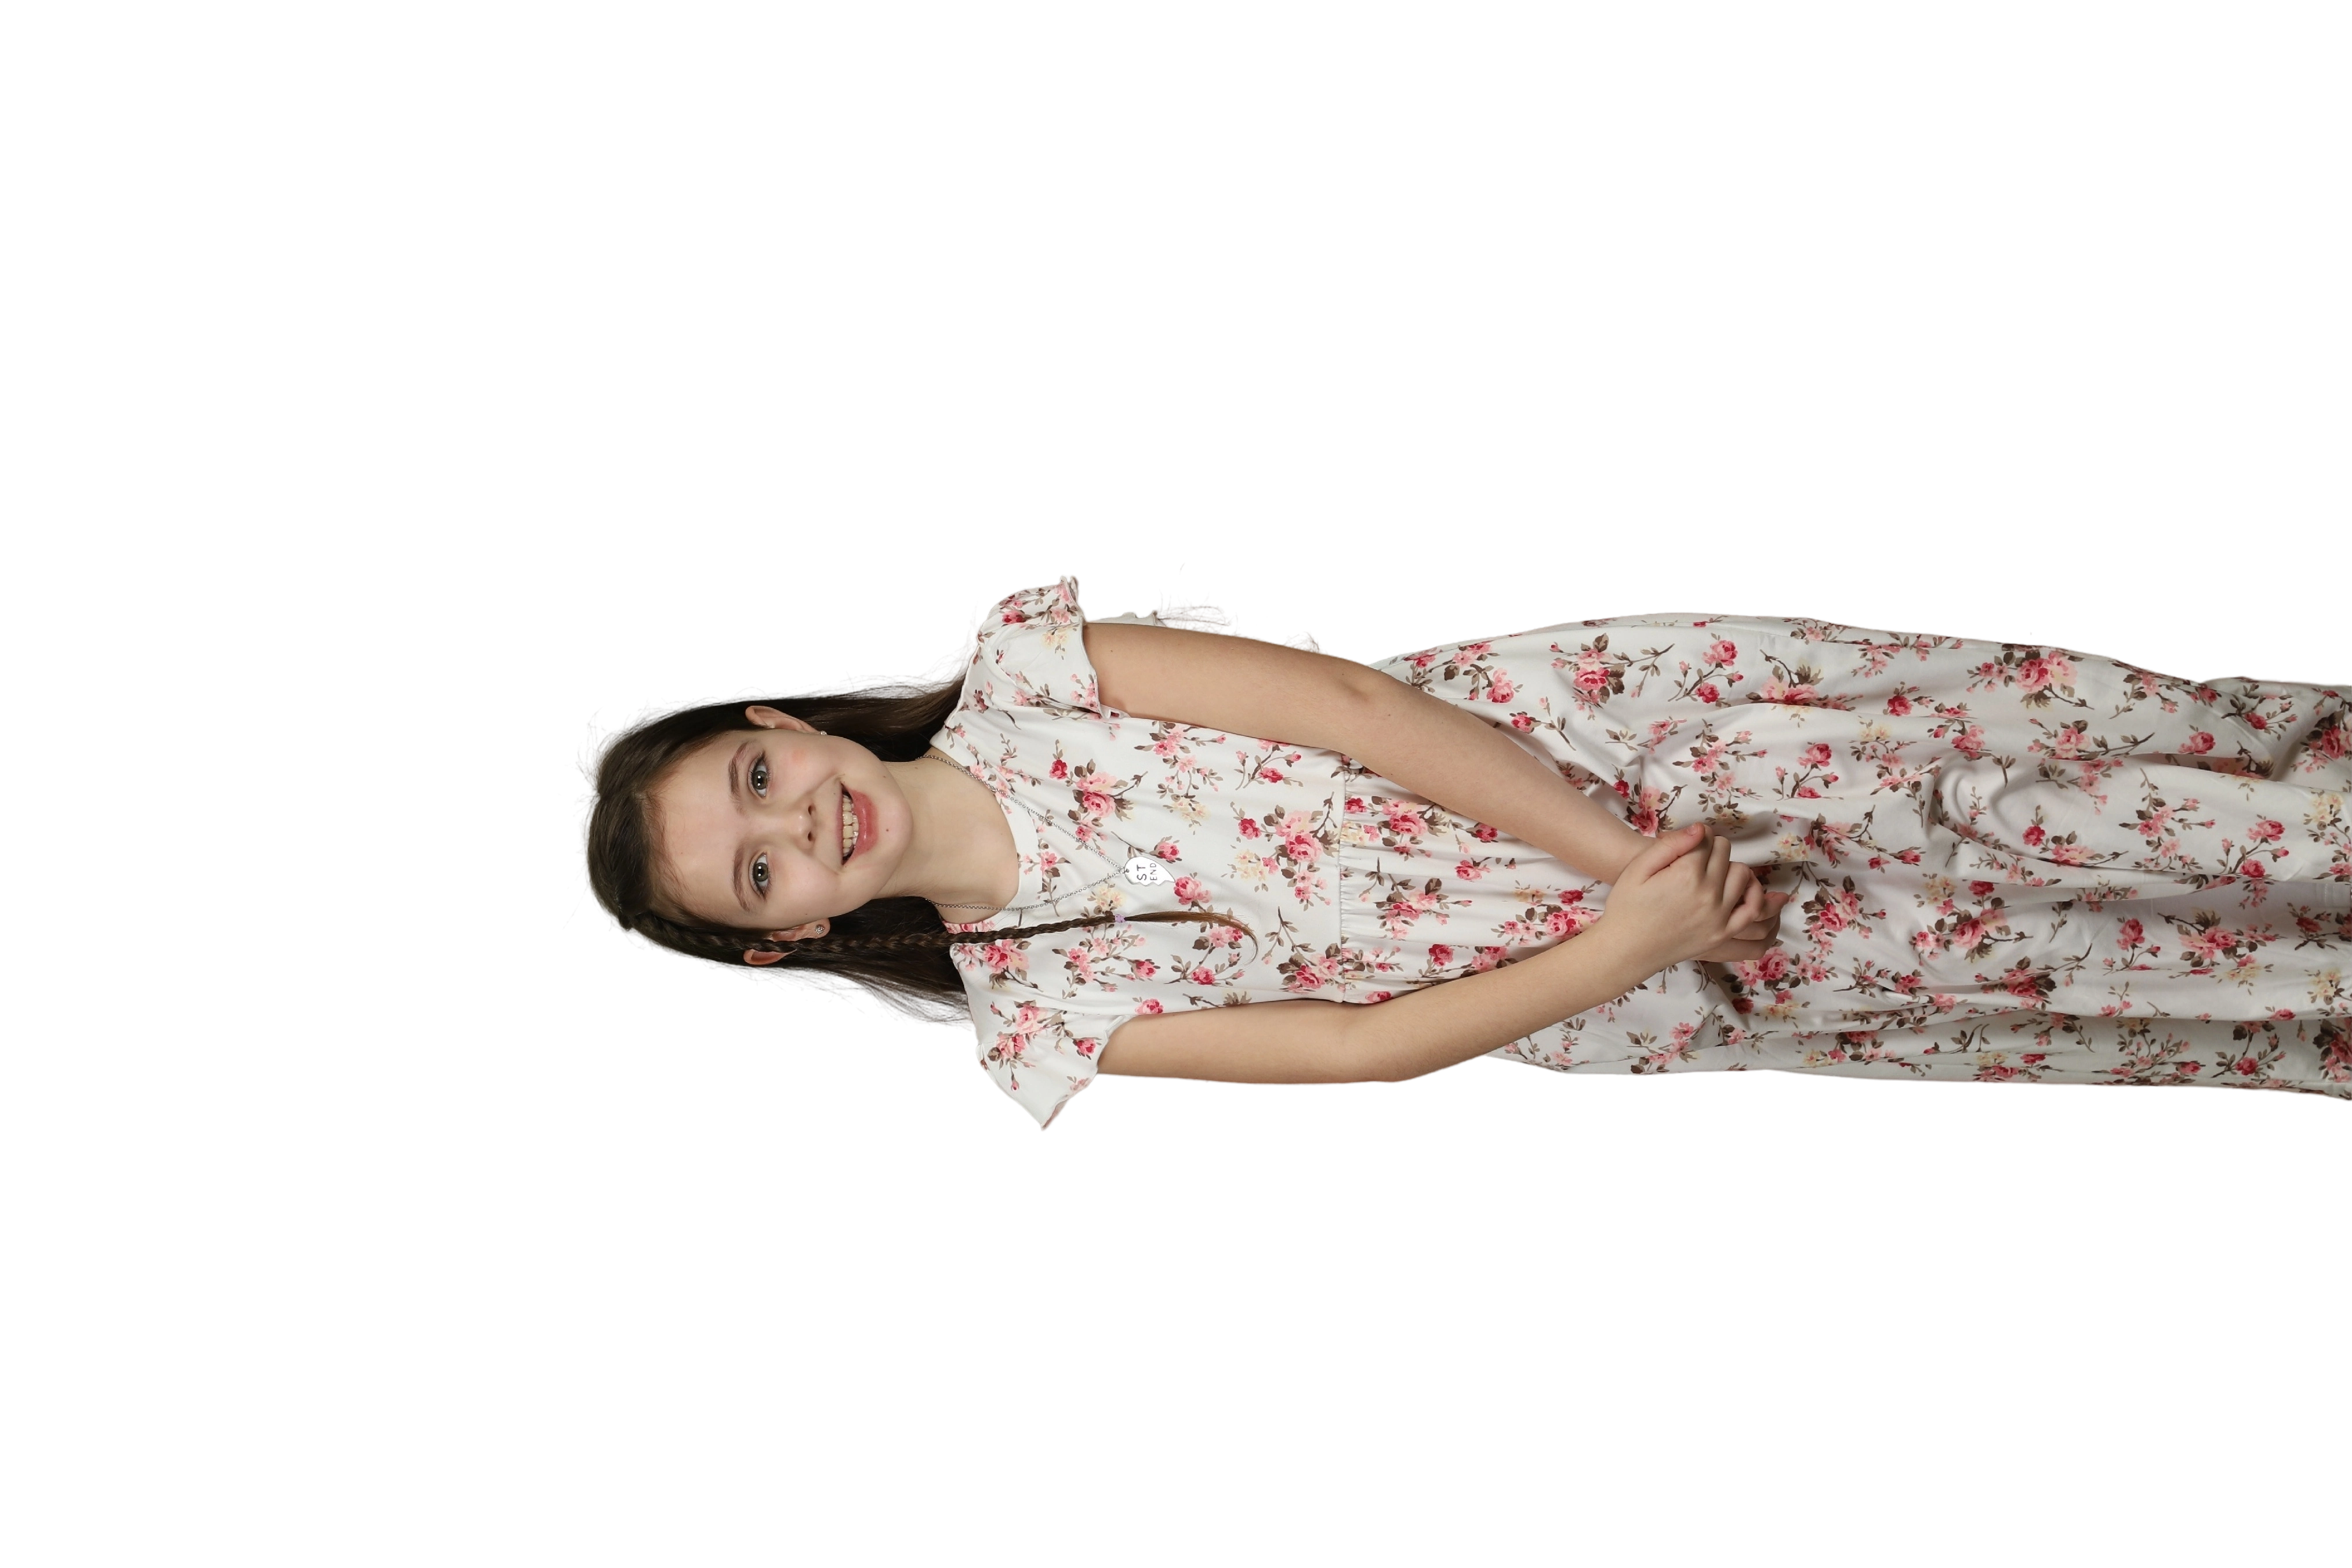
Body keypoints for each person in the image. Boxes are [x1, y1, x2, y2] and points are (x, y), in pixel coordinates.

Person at [568, 572, 2352, 1135]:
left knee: (2030, 786)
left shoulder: (1036, 672)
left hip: (1628, 768)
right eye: (759, 871)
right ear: (782, 938)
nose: (797, 825)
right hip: (1634, 974)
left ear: (783, 721)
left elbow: (1354, 715)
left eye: (755, 778)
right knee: (2028, 954)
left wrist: (1632, 860)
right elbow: (1349, 1050)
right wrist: (1629, 946)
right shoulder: (1040, 1018)